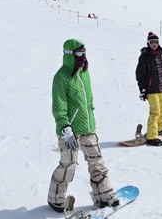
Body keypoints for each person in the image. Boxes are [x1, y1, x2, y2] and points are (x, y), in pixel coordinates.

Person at [47, 38, 120, 212]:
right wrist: (66, 128)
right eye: (80, 51)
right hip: (69, 130)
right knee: (68, 165)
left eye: (84, 51)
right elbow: (59, 105)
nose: (83, 54)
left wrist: (91, 116)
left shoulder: (84, 72)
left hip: (87, 127)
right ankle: (55, 198)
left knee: (98, 162)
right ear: (70, 54)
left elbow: (89, 99)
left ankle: (103, 195)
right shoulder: (61, 76)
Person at [135, 32, 162, 146]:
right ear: (148, 43)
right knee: (155, 112)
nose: (154, 44)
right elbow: (140, 74)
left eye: (156, 42)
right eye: (151, 42)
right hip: (151, 89)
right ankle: (152, 136)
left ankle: (160, 129)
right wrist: (142, 90)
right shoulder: (145, 57)